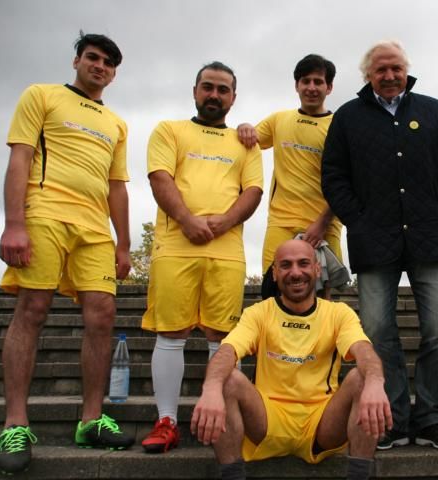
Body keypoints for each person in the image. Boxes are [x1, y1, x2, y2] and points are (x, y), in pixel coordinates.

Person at [322, 40, 438, 450]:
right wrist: (357, 218)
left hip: (432, 236)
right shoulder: (348, 117)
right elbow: (333, 175)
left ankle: (434, 417)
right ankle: (390, 418)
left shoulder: (434, 111)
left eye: (396, 68)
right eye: (381, 70)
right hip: (373, 240)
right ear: (367, 75)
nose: (389, 76)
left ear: (407, 71)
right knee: (376, 331)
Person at [0, 32, 133, 474]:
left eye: (108, 63)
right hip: (44, 213)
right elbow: (20, 158)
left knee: (103, 314)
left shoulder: (117, 123)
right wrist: (13, 223)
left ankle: (91, 421)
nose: (99, 66)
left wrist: (124, 243)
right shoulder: (41, 95)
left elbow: (117, 186)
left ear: (114, 74)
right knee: (33, 308)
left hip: (94, 228)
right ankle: (15, 424)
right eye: (92, 57)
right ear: (76, 61)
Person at [140, 61, 263, 454]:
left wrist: (224, 222)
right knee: (171, 334)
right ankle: (166, 421)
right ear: (195, 91)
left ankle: (224, 418)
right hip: (175, 247)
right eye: (207, 87)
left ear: (233, 97)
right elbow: (160, 178)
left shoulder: (246, 143)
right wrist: (187, 220)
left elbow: (253, 191)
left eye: (223, 89)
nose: (214, 95)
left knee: (223, 337)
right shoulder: (169, 130)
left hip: (227, 253)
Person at [190, 239, 391, 480]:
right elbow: (228, 351)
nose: (295, 273)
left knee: (363, 378)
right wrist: (211, 388)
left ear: (317, 269)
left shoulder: (338, 313)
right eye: (286, 265)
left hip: (321, 424)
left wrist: (375, 382)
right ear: (275, 273)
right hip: (266, 420)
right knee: (226, 379)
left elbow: (363, 350)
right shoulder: (258, 313)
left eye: (303, 263)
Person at [237, 54, 343, 298]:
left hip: (325, 225)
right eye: (306, 81)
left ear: (329, 87)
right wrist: (243, 126)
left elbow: (347, 181)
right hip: (281, 222)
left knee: (321, 298)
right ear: (297, 85)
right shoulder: (279, 120)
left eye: (318, 82)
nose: (311, 87)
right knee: (273, 291)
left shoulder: (340, 126)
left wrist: (322, 223)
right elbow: (247, 141)